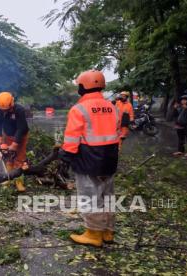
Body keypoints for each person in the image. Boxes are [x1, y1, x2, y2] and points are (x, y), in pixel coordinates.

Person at [59, 70, 120, 247]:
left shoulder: (79, 109)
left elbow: (72, 138)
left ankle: (93, 234)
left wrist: (65, 157)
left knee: (89, 197)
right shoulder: (112, 107)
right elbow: (116, 133)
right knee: (107, 195)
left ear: (83, 86)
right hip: (110, 158)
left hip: (88, 160)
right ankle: (108, 232)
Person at [0, 92, 29, 192]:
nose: (4, 111)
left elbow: (21, 128)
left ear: (12, 103)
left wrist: (15, 143)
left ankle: (19, 181)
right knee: (8, 157)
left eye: (7, 110)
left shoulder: (19, 110)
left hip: (21, 135)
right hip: (7, 134)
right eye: (2, 110)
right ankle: (8, 178)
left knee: (19, 158)